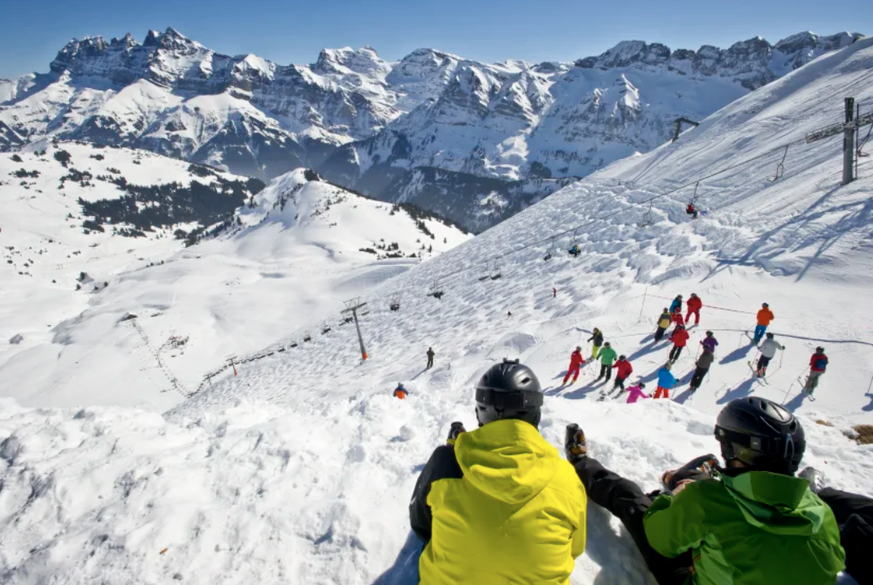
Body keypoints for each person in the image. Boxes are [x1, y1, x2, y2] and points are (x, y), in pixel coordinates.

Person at [563, 397, 847, 585]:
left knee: (631, 500)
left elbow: (659, 537)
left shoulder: (708, 499)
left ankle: (582, 464)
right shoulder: (821, 511)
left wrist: (675, 498)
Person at [410, 359, 588, 584]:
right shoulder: (566, 478)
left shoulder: (446, 464)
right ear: (536, 414)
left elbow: (420, 524)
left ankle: (460, 444)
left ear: (480, 412)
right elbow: (574, 547)